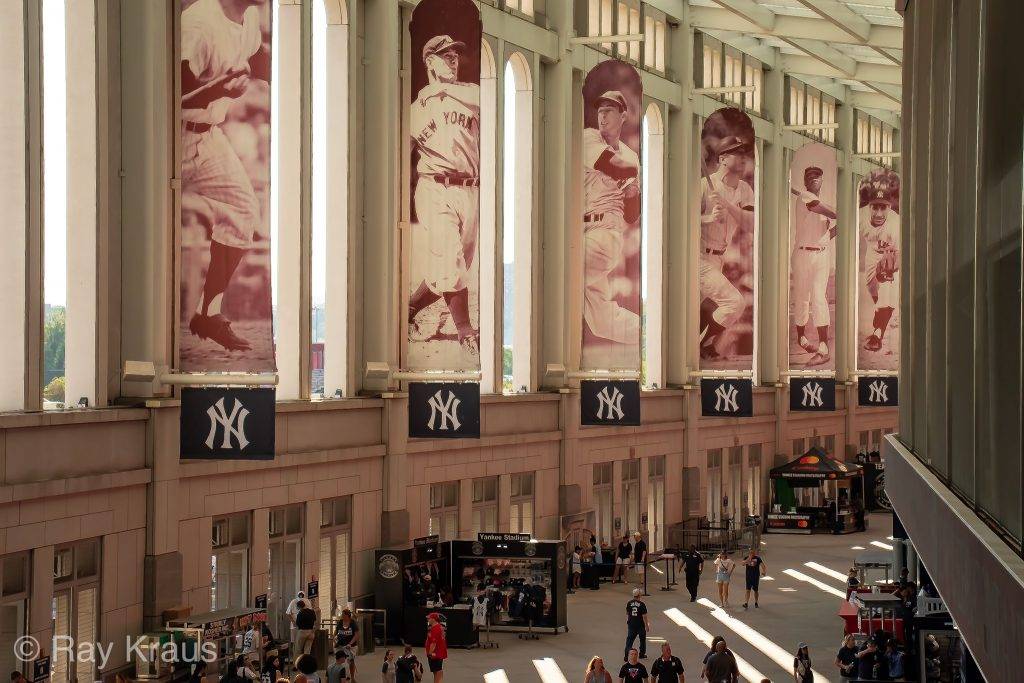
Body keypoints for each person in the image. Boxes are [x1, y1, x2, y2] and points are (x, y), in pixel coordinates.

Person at [180, 0, 273, 354]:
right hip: (169, 135)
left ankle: (208, 315)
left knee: (243, 209)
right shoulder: (199, 22)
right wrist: (222, 90)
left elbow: (257, 55)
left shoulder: (248, 17)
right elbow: (178, 90)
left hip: (208, 135)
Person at [407, 33, 481, 361]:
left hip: (471, 189)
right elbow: (401, 153)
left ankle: (409, 305)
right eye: (444, 55)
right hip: (434, 187)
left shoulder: (471, 94)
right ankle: (466, 331)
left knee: (452, 269)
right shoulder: (416, 109)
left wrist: (440, 88)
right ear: (429, 61)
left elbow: (484, 104)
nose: (453, 60)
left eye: (455, 55)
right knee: (450, 259)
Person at [581, 89, 641, 362]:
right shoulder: (588, 137)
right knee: (602, 321)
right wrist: (631, 176)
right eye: (600, 110)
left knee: (562, 274)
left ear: (623, 115)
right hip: (580, 229)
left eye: (609, 110)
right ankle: (649, 333)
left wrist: (632, 195)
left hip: (604, 235)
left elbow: (631, 216)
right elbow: (616, 166)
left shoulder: (631, 154)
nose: (602, 115)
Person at [698, 135, 755, 361]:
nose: (743, 158)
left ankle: (698, 346)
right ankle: (704, 343)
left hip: (718, 258)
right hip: (699, 256)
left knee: (693, 312)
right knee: (734, 303)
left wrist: (728, 205)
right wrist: (708, 218)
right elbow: (681, 221)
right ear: (722, 158)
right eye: (737, 153)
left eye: (744, 153)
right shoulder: (703, 184)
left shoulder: (744, 188)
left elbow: (751, 223)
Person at [790, 164, 838, 366]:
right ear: (805, 181)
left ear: (822, 179)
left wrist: (832, 231)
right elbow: (835, 214)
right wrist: (842, 212)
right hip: (802, 254)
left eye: (817, 175)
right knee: (801, 297)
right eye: (809, 175)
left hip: (821, 255)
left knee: (819, 297)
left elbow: (830, 231)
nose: (814, 178)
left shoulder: (820, 206)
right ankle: (801, 337)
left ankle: (824, 347)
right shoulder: (805, 197)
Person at [858, 172, 900, 354]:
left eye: (884, 208)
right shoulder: (860, 217)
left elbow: (899, 253)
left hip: (891, 255)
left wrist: (891, 269)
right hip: (872, 255)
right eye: (875, 207)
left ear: (889, 208)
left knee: (887, 293)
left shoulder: (896, 223)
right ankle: (882, 314)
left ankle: (877, 334)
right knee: (873, 291)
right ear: (869, 206)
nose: (879, 212)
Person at [624, 588, 650, 661]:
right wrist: (646, 626)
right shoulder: (642, 604)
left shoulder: (629, 603)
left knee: (629, 641)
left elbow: (627, 613)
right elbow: (644, 616)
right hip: (640, 625)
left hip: (631, 625)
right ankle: (641, 654)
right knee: (642, 640)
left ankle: (626, 656)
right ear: (639, 595)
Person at [334, 609, 359, 681]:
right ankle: (342, 676)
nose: (342, 616)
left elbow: (356, 635)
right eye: (342, 615)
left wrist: (350, 644)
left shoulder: (353, 623)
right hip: (340, 645)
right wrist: (334, 640)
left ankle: (352, 677)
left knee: (351, 660)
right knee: (339, 660)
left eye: (343, 615)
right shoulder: (340, 622)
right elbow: (336, 632)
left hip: (350, 646)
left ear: (347, 616)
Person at [424, 612, 447, 682]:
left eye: (429, 618)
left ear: (433, 619)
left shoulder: (436, 628)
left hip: (435, 654)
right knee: (437, 671)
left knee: (437, 672)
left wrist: (430, 653)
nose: (428, 620)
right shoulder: (438, 627)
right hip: (438, 653)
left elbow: (434, 643)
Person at [285, 591, 307, 659]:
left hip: (302, 627)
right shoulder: (293, 602)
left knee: (301, 642)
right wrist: (293, 622)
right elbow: (288, 613)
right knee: (295, 642)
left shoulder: (306, 602)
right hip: (294, 626)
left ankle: (300, 657)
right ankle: (295, 657)